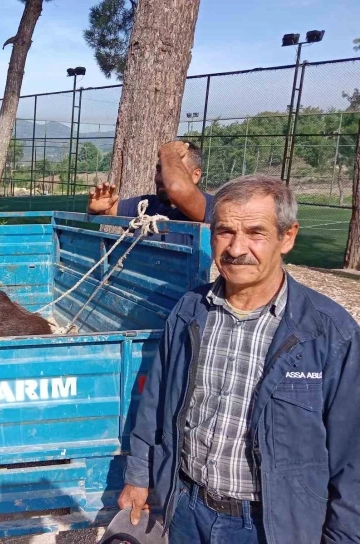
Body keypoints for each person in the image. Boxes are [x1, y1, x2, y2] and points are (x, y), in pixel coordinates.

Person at [119, 175, 360, 543]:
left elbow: (352, 456)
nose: (236, 248)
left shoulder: (329, 333)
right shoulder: (190, 311)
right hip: (186, 508)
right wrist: (138, 476)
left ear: (288, 237)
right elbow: (156, 403)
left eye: (256, 232)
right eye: (225, 231)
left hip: (269, 526)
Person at [87, 140, 212, 223]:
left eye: (173, 171)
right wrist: (98, 207)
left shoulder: (210, 205)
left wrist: (168, 151)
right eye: (159, 170)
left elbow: (176, 188)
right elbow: (109, 209)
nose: (162, 178)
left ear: (196, 175)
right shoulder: (148, 204)